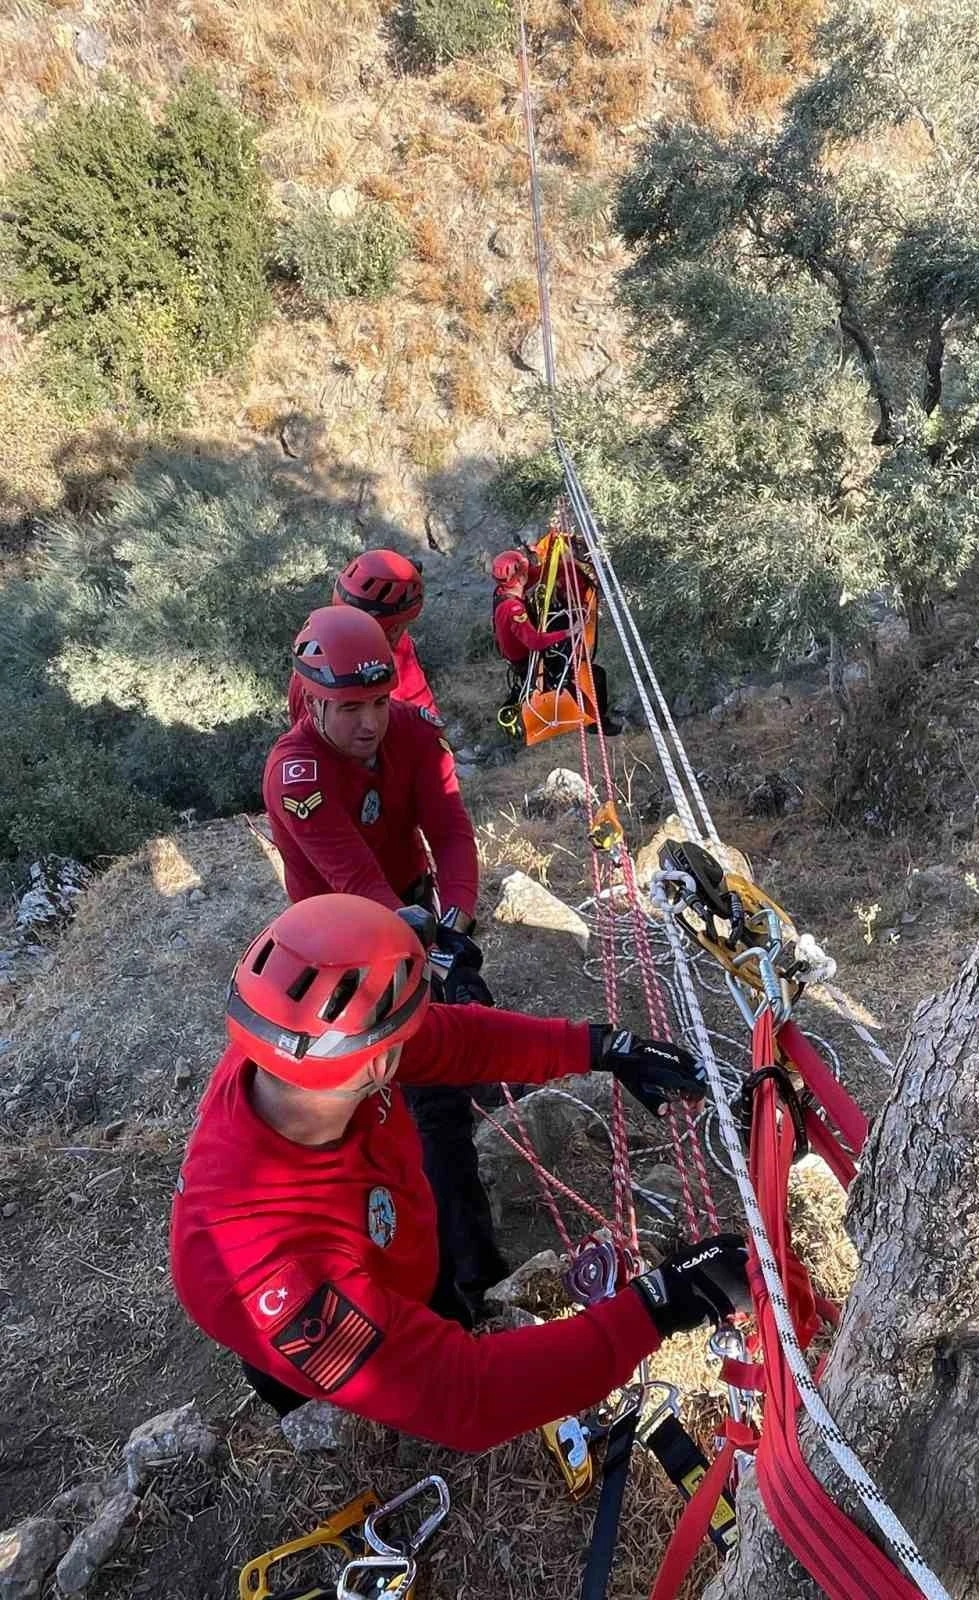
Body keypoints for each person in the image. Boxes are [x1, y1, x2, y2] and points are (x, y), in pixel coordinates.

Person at [170, 893, 751, 1447]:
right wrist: (664, 1301)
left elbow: (454, 1041)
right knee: (393, 1432)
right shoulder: (269, 1276)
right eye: (405, 1031)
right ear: (379, 1061)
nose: (419, 1033)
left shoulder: (294, 1057)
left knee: (443, 1291)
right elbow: (467, 1397)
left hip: (400, 1245)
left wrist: (602, 1047)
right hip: (336, 1348)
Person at [265, 605, 498, 1322]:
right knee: (398, 1100)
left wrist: (454, 918)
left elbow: (452, 834)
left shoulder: (415, 734)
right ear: (311, 699)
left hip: (416, 909)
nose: (368, 722)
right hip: (340, 938)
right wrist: (427, 943)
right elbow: (354, 880)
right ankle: (452, 1282)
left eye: (377, 701)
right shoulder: (295, 775)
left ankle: (474, 1276)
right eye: (347, 707)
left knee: (443, 1097)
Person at [286, 549, 439, 724]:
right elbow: (423, 723)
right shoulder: (390, 664)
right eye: (404, 625)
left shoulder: (312, 654)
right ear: (394, 629)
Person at [491, 549, 620, 736]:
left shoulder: (503, 592)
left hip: (524, 649)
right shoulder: (513, 608)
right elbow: (535, 642)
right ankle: (597, 722)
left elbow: (539, 574)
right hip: (530, 659)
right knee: (596, 675)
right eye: (525, 572)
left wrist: (566, 565)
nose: (529, 573)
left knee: (563, 618)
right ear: (519, 578)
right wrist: (570, 631)